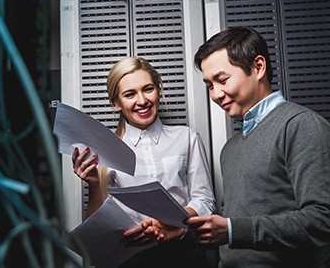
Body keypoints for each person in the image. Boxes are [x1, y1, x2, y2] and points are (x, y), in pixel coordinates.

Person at [181, 26, 330, 267]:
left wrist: (233, 231)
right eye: (209, 85)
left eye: (222, 80)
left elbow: (323, 220)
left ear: (258, 67)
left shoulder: (300, 125)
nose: (216, 94)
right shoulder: (230, 149)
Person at [72, 56, 216, 267]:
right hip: (131, 260)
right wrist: (93, 184)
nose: (142, 101)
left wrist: (170, 223)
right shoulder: (104, 150)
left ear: (158, 89)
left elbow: (204, 200)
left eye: (148, 89)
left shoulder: (187, 137)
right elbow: (95, 227)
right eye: (130, 94)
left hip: (185, 255)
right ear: (116, 103)